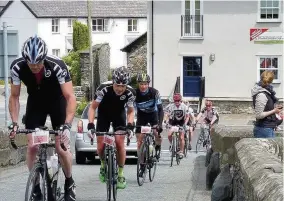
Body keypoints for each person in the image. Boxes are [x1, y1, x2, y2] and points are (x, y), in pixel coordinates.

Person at [8, 35, 76, 201]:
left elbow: (70, 97)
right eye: (31, 63)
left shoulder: (57, 65)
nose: (35, 66)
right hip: (36, 102)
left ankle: (69, 182)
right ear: (25, 60)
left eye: (38, 62)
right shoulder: (17, 67)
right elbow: (14, 97)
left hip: (57, 101)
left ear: (44, 58)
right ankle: (36, 185)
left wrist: (67, 125)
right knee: (32, 146)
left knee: (61, 147)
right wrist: (15, 123)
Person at [87, 66, 136, 189]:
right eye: (117, 85)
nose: (120, 89)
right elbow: (92, 108)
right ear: (113, 82)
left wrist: (130, 126)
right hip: (103, 114)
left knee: (120, 143)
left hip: (119, 115)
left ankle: (120, 174)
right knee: (100, 145)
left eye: (123, 86)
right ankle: (103, 164)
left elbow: (130, 111)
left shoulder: (130, 92)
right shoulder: (103, 89)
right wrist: (91, 125)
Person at [134, 73, 164, 174]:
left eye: (145, 84)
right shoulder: (135, 93)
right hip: (141, 116)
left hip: (153, 114)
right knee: (139, 141)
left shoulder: (154, 92)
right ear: (138, 84)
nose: (143, 86)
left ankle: (158, 147)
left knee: (156, 132)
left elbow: (160, 109)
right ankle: (142, 164)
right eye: (141, 84)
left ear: (148, 84)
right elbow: (130, 109)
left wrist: (159, 124)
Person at [251, 70, 282, 138]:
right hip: (264, 129)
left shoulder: (266, 91)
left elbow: (266, 107)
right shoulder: (261, 94)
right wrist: (274, 111)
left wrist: (274, 108)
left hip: (267, 128)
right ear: (271, 81)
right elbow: (259, 115)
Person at [165, 93, 189, 159]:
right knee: (169, 135)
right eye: (175, 101)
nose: (177, 102)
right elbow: (167, 115)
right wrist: (166, 121)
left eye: (178, 101)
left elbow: (187, 116)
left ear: (180, 100)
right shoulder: (170, 106)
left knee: (181, 137)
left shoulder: (184, 107)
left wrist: (185, 123)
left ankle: (181, 151)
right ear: (174, 101)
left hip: (181, 123)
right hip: (172, 122)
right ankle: (172, 144)